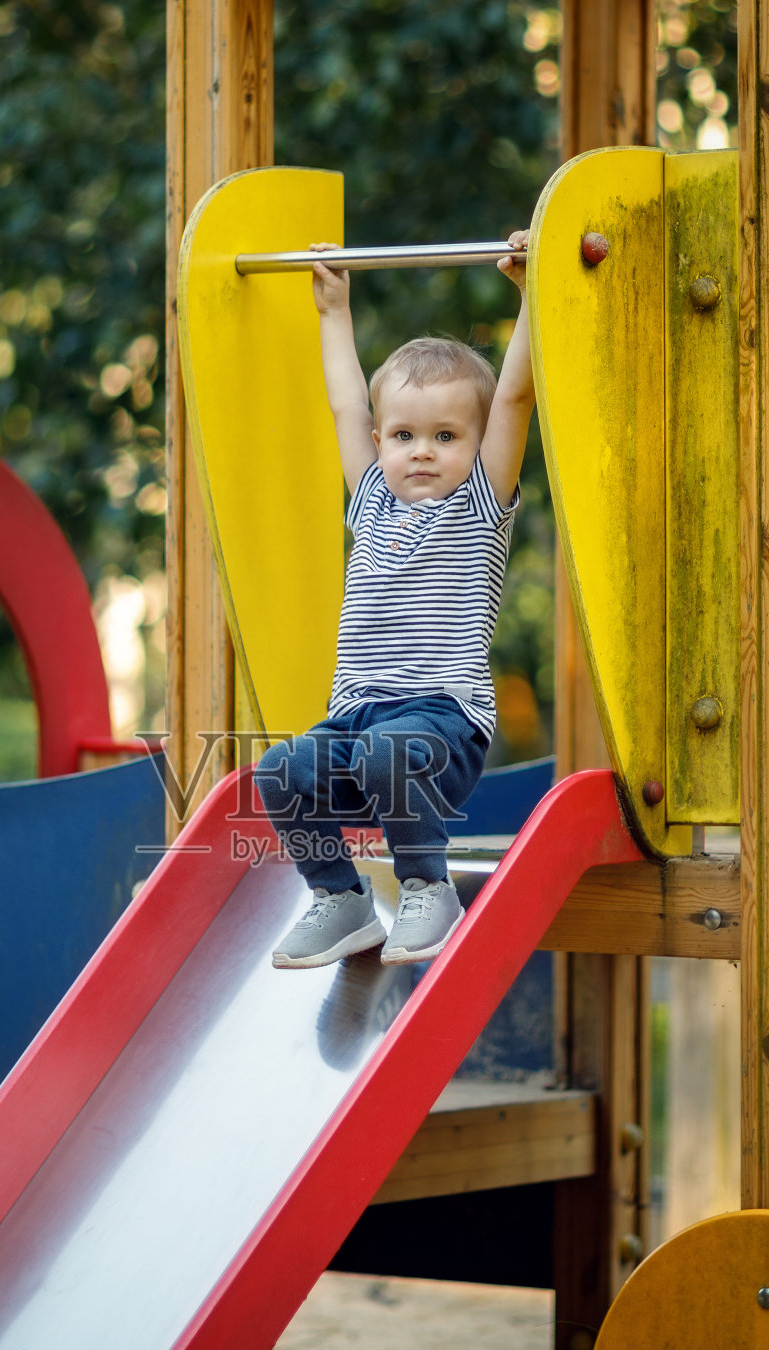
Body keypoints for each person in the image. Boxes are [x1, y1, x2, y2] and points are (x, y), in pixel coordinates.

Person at [254, 229, 535, 969]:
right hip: (359, 718)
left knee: (390, 750)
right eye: (404, 434)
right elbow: (347, 406)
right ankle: (342, 901)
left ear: (476, 449)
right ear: (380, 443)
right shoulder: (371, 498)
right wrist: (332, 312)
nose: (420, 450)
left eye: (445, 436)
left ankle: (425, 888)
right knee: (280, 772)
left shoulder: (477, 504)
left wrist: (531, 295)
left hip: (441, 727)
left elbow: (512, 394)